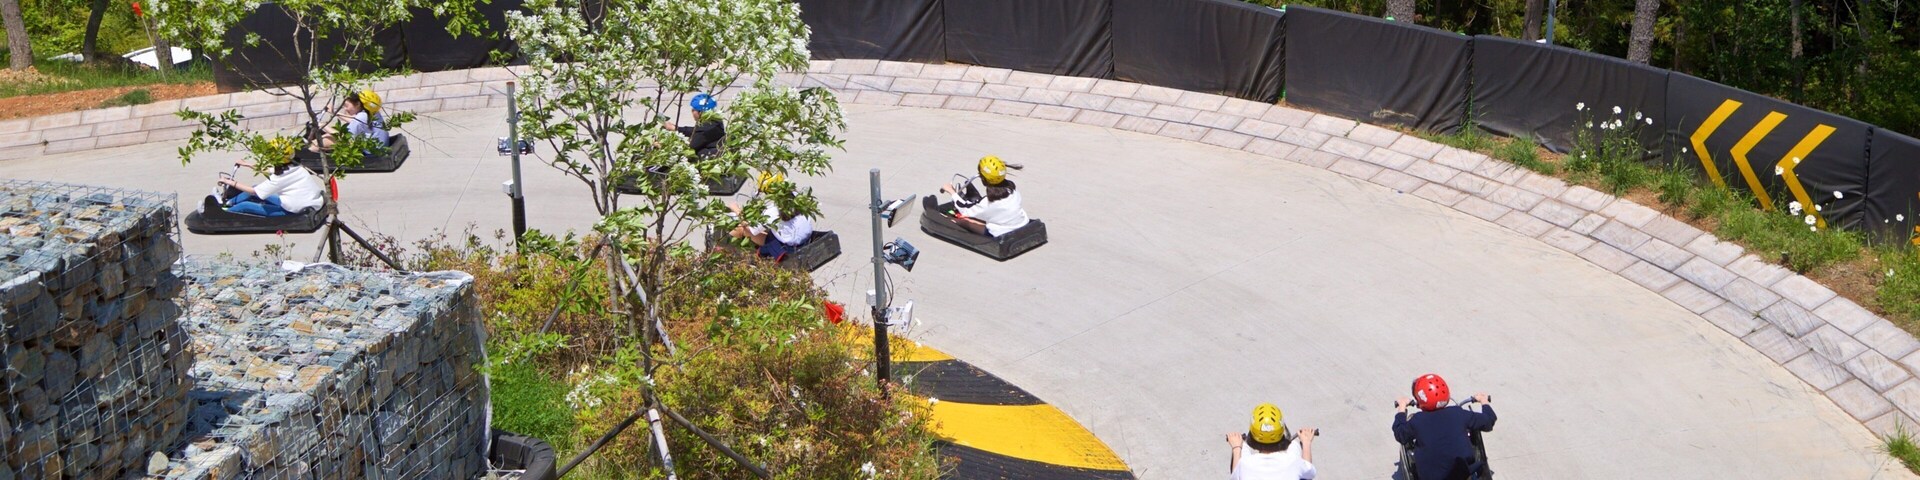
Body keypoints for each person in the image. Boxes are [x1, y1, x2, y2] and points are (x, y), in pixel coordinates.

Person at [1392, 374, 1496, 480]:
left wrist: (1402, 407)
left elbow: (1400, 434)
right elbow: (1488, 420)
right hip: (1463, 475)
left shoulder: (1417, 420)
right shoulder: (1457, 413)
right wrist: (1483, 400)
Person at [217, 139, 327, 217]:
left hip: (293, 210)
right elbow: (269, 170)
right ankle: (228, 202)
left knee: (245, 205)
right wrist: (247, 164)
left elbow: (254, 192)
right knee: (256, 188)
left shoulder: (279, 178)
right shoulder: (297, 168)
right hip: (309, 202)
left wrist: (229, 182)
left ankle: (222, 212)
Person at [727, 173, 814, 259]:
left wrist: (737, 211)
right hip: (804, 241)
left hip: (787, 249)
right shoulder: (797, 196)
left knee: (741, 228)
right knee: (767, 229)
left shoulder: (773, 211)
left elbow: (750, 229)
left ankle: (723, 251)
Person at [939, 155, 1030, 237]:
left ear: (983, 178)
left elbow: (965, 210)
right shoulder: (1012, 189)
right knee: (977, 219)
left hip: (1002, 232)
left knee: (966, 222)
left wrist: (952, 192)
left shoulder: (988, 202)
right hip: (1021, 222)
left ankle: (946, 218)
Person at [1224, 403, 1317, 480]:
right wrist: (1306, 442)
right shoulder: (1293, 460)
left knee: (1243, 449)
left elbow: (1235, 477)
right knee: (1294, 446)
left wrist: (1237, 448)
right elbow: (1309, 473)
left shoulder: (1245, 463)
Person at [311, 89, 390, 151]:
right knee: (328, 135)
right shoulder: (371, 112)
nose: (345, 109)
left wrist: (323, 126)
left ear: (358, 104)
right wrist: (334, 113)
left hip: (371, 151)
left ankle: (310, 153)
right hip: (381, 146)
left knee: (320, 142)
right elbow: (355, 121)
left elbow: (345, 138)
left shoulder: (361, 117)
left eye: (346, 105)